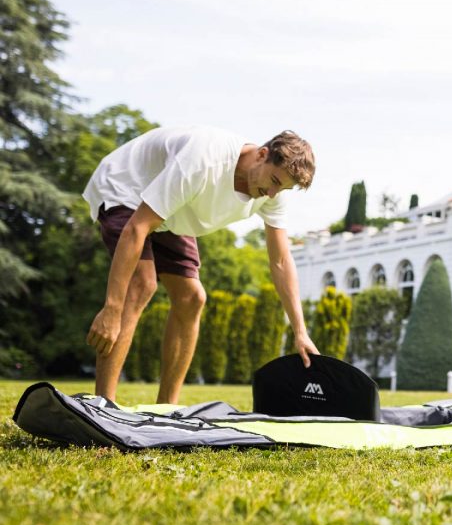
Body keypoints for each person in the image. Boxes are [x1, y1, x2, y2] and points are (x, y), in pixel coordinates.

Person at [83, 126, 321, 404]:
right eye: (275, 181)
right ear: (262, 155)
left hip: (174, 208)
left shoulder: (270, 193)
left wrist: (300, 331)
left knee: (192, 298)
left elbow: (281, 261)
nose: (272, 193)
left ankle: (166, 409)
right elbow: (138, 228)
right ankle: (103, 407)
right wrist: (112, 308)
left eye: (282, 188)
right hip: (127, 186)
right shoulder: (204, 160)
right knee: (142, 283)